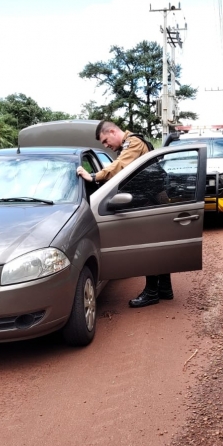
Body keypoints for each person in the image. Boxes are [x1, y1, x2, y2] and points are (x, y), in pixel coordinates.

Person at [76, 120, 173, 308]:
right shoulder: (132, 143)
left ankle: (152, 292)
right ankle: (165, 289)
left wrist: (94, 176)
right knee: (157, 246)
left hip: (150, 201)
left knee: (148, 247)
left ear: (112, 131)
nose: (106, 146)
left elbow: (121, 166)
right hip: (154, 199)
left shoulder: (133, 143)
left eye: (105, 141)